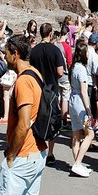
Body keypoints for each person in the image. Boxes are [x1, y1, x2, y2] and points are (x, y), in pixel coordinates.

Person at [0, 35, 47, 195]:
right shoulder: (36, 73)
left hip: (23, 155)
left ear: (15, 53)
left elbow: (24, 123)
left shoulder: (24, 81)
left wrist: (11, 154)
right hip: (37, 152)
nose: (4, 57)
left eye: (6, 53)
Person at [28, 23, 65, 166]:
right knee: (52, 119)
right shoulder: (55, 50)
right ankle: (50, 153)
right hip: (52, 88)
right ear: (50, 34)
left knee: (37, 117)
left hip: (37, 87)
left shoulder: (34, 51)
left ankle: (37, 146)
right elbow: (60, 71)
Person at [68, 40, 94, 177]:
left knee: (76, 135)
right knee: (90, 134)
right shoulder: (82, 69)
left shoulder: (73, 67)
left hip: (72, 100)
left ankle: (77, 163)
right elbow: (84, 91)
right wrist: (89, 111)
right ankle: (77, 163)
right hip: (79, 103)